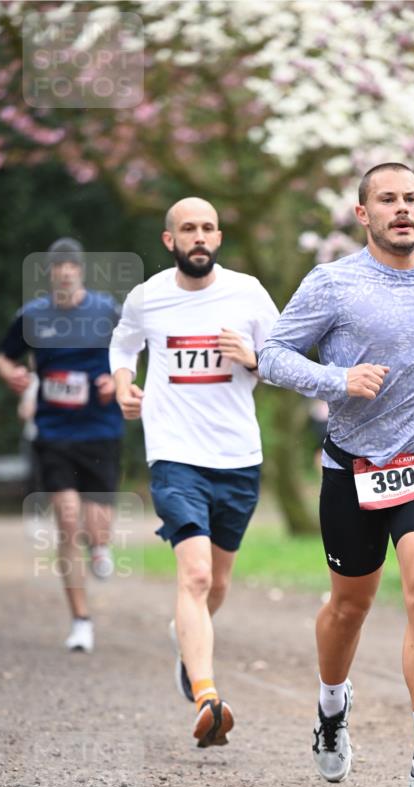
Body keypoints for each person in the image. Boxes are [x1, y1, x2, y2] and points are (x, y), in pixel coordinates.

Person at [259, 163, 414, 787]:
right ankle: (332, 707)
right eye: (387, 199)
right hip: (351, 468)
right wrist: (339, 380)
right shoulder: (333, 283)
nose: (402, 209)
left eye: (411, 197)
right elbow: (274, 354)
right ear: (363, 214)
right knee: (349, 608)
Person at [110, 197, 278, 749]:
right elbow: (123, 344)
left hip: (237, 458)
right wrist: (121, 385)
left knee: (219, 583)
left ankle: (187, 641)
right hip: (175, 454)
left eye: (207, 228)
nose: (198, 237)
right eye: (188, 229)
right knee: (197, 576)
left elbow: (282, 359)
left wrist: (251, 356)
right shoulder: (148, 297)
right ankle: (207, 695)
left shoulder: (248, 293)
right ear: (170, 240)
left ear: (219, 237)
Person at [0, 237, 123, 654]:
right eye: (58, 267)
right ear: (50, 273)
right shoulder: (33, 316)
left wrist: (117, 380)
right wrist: (12, 374)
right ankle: (81, 621)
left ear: (80, 271)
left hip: (101, 429)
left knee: (95, 524)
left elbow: (134, 349)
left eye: (72, 266)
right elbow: (4, 356)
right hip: (54, 434)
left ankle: (100, 544)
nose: (65, 273)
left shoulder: (105, 310)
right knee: (67, 522)